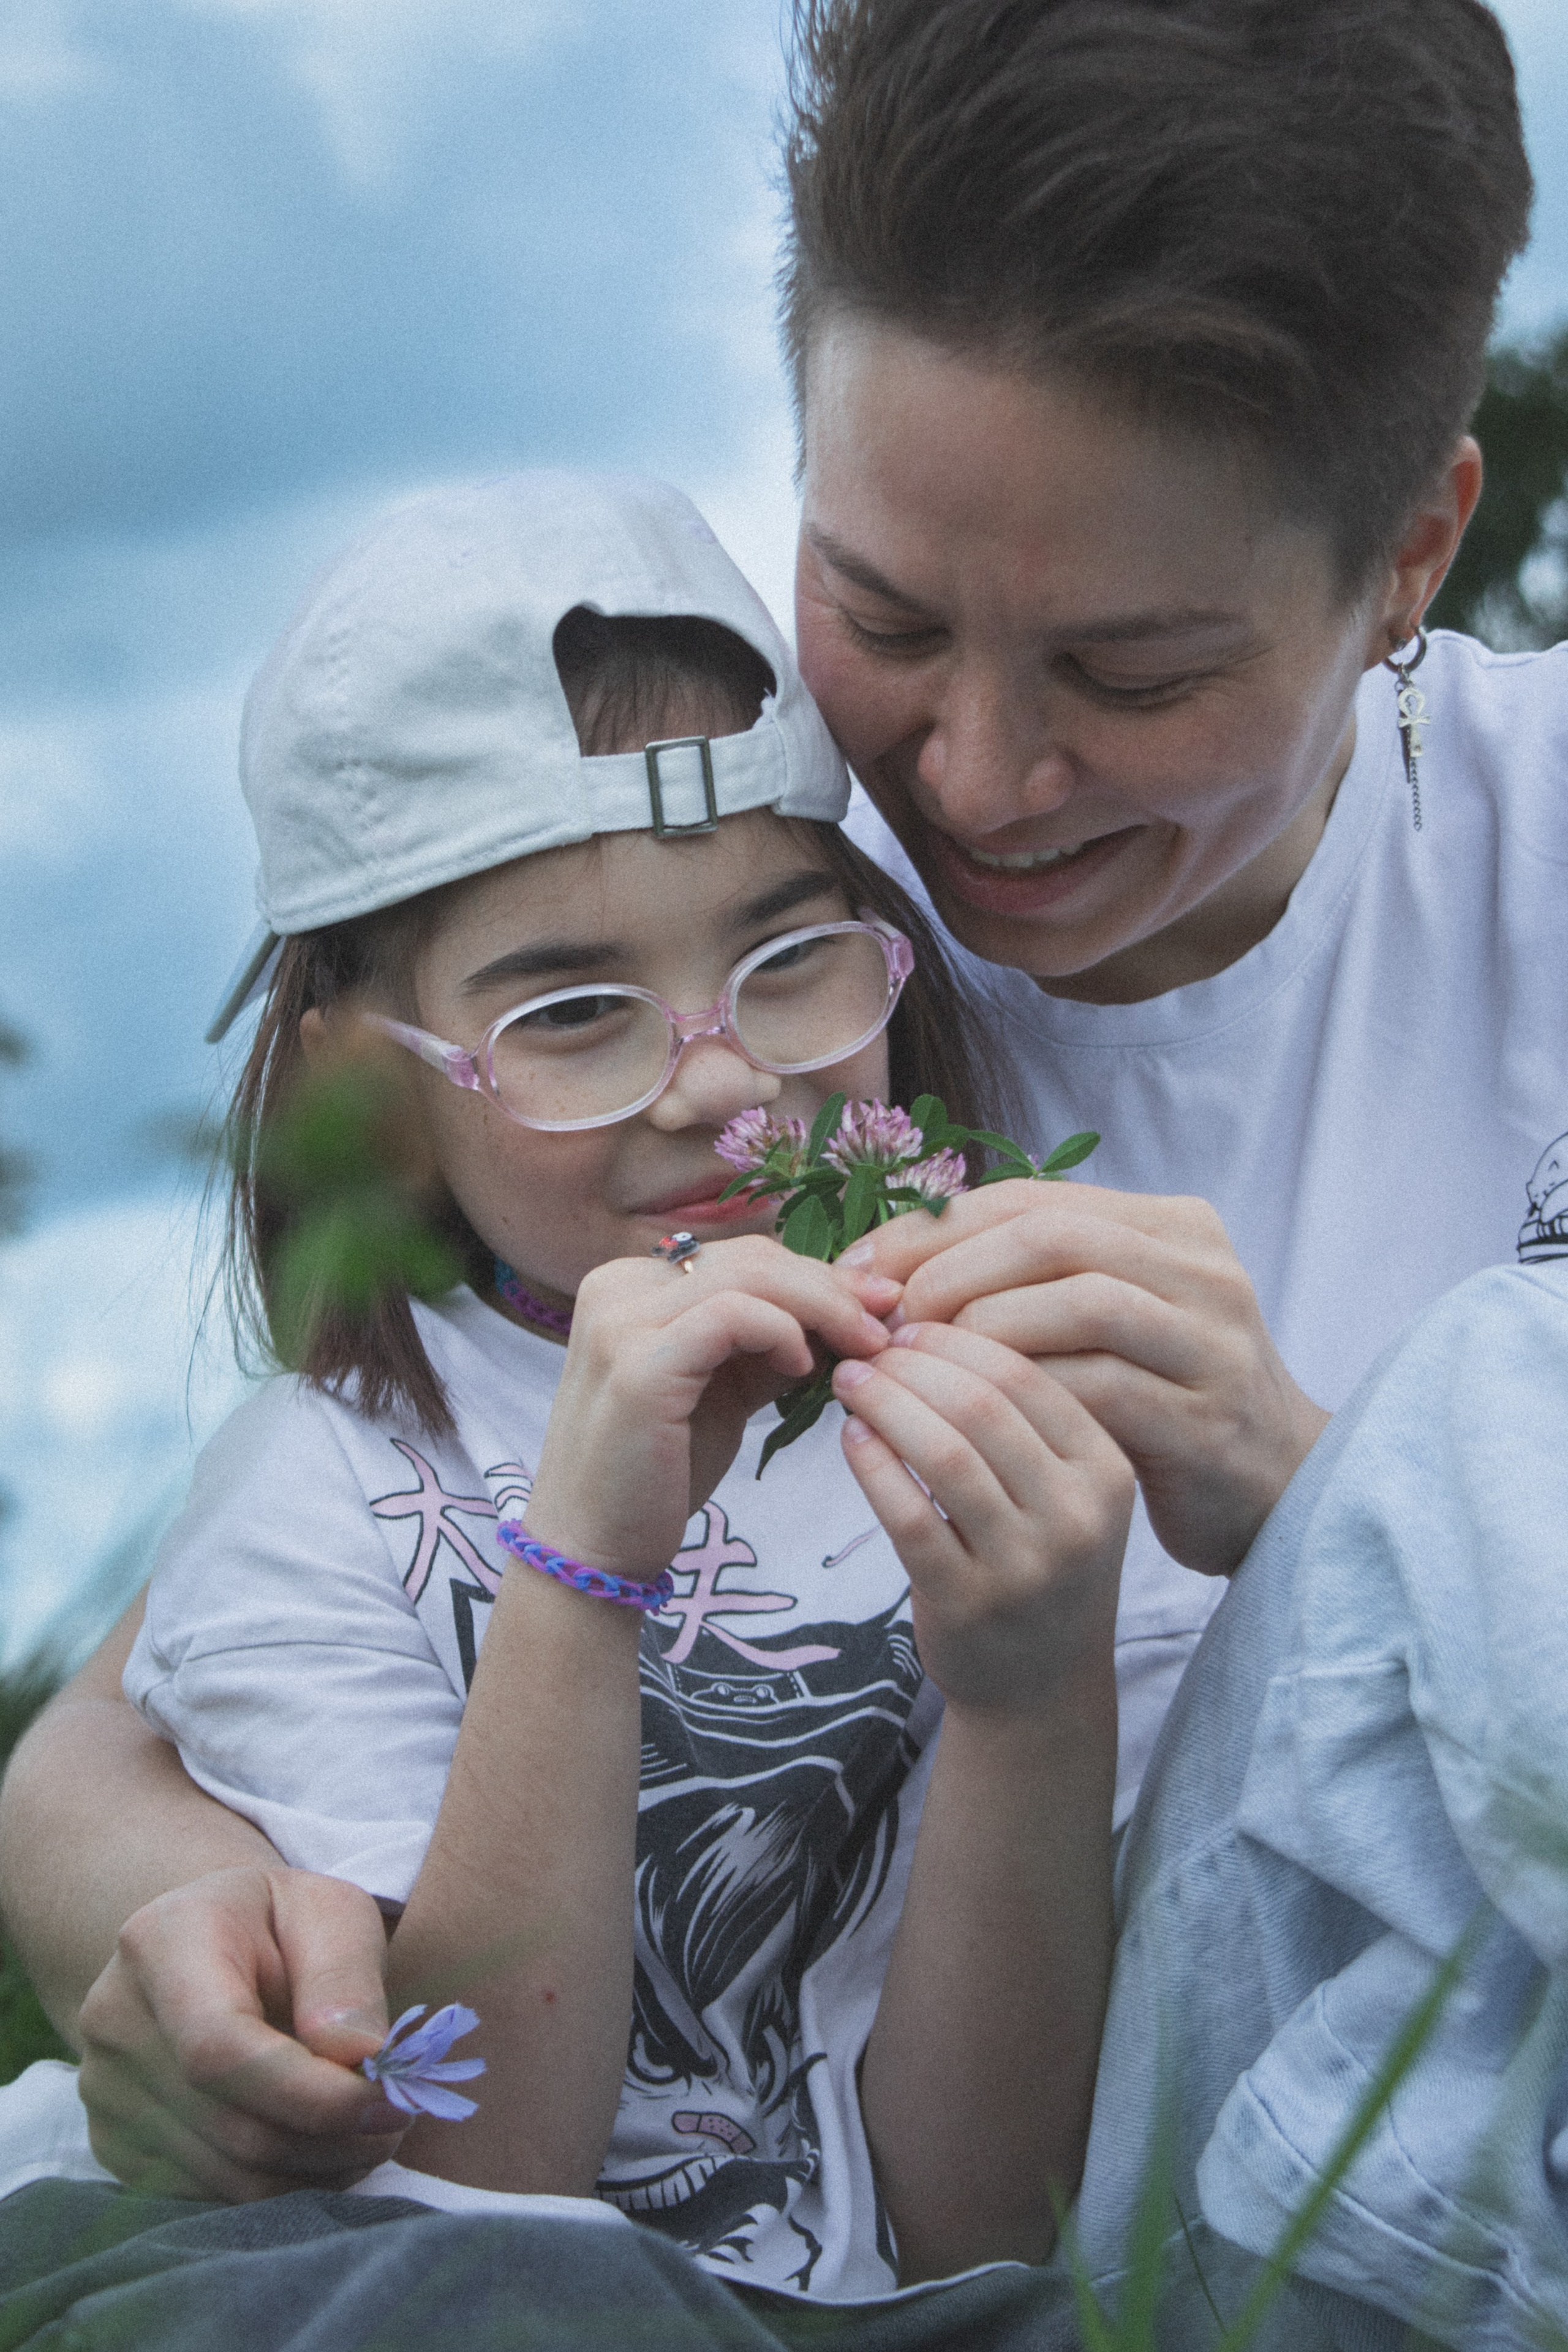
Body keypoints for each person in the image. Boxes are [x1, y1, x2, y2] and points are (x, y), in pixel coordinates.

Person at [2, 0, 1564, 2324]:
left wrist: (1336, 1514)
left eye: (1135, 671)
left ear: (1416, 545)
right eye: (888, 610)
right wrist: (168, 1925)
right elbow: (190, 1658)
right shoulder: (736, 896)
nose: (982, 781)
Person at [0, 469, 1133, 2346]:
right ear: (376, 1081)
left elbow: (976, 2225)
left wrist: (1029, 1695)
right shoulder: (325, 1484)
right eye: (572, 1013)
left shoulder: (1011, 1394)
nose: (713, 1084)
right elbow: (473, 2169)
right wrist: (584, 1562)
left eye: (787, 963)